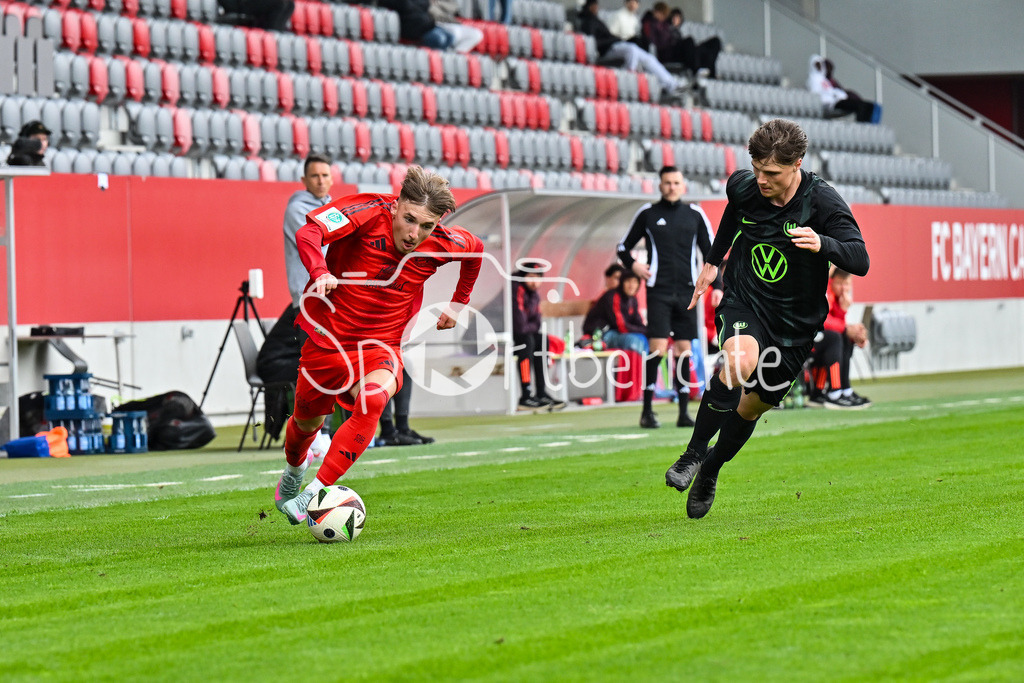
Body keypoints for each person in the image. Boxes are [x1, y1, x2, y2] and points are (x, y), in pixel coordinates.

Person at [664, 118, 870, 519]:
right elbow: (734, 212)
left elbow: (860, 258)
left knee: (751, 408)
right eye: (757, 169)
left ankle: (711, 468)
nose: (761, 179)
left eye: (772, 173)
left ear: (797, 164)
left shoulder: (822, 202)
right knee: (739, 362)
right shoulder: (744, 185)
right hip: (747, 299)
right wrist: (712, 262)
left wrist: (822, 243)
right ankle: (691, 455)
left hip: (795, 324)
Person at [274, 166, 485, 524]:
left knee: (373, 400)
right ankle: (294, 474)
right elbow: (309, 232)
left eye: (427, 226)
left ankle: (314, 493)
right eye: (410, 219)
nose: (415, 234)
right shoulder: (366, 211)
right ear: (397, 204)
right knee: (306, 425)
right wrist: (320, 271)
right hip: (328, 342)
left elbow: (475, 250)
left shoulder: (444, 241)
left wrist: (458, 302)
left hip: (381, 346)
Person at [617, 165, 714, 430]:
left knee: (683, 350)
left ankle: (683, 412)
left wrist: (714, 284)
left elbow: (712, 252)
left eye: (676, 182)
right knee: (657, 349)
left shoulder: (694, 214)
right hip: (658, 291)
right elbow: (623, 248)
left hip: (687, 292)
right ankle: (647, 411)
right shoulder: (648, 214)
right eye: (667, 182)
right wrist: (635, 267)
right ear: (660, 185)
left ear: (683, 186)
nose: (672, 187)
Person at [578, 0, 687, 100]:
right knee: (632, 49)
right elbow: (593, 41)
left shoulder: (599, 20)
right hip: (607, 49)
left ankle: (671, 84)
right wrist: (616, 39)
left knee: (649, 58)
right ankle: (629, 78)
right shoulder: (588, 22)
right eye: (594, 5)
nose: (596, 7)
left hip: (618, 45)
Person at [808, 268, 871, 409]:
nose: (843, 288)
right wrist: (847, 329)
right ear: (832, 281)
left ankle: (843, 390)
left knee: (844, 338)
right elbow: (822, 321)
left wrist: (854, 333)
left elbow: (837, 323)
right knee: (835, 338)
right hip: (805, 339)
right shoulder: (823, 288)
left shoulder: (836, 297)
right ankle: (834, 393)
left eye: (847, 284)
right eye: (839, 283)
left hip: (819, 338)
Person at [512, 265, 567, 412]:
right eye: (530, 277)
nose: (534, 282)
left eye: (537, 278)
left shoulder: (533, 294)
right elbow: (519, 325)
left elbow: (536, 323)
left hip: (519, 335)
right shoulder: (516, 288)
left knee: (542, 340)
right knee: (526, 342)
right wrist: (529, 327)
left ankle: (541, 393)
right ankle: (525, 395)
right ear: (522, 276)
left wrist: (528, 327)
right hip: (498, 338)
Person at [581, 270, 649, 355]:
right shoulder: (613, 296)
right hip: (601, 335)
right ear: (622, 283)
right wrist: (645, 331)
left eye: (635, 282)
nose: (631, 285)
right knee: (634, 340)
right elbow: (621, 326)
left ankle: (643, 367)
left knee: (646, 338)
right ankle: (634, 367)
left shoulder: (633, 299)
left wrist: (648, 332)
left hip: (616, 332)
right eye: (628, 281)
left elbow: (637, 322)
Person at [807, 54, 880, 123]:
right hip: (831, 104)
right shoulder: (812, 79)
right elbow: (816, 96)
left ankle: (871, 123)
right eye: (817, 65)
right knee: (860, 106)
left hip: (837, 99)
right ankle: (862, 125)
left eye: (820, 65)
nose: (819, 67)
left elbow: (832, 90)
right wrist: (833, 95)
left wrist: (838, 93)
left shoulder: (824, 80)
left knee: (868, 105)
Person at [668, 7, 721, 79]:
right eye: (674, 18)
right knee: (689, 41)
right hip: (678, 54)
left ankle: (710, 71)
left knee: (715, 42)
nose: (675, 20)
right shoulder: (667, 30)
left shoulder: (681, 30)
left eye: (677, 18)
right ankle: (696, 70)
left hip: (690, 53)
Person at [217, 0, 294, 30]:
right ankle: (271, 34)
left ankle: (277, 34)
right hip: (238, 4)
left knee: (290, 4)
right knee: (279, 3)